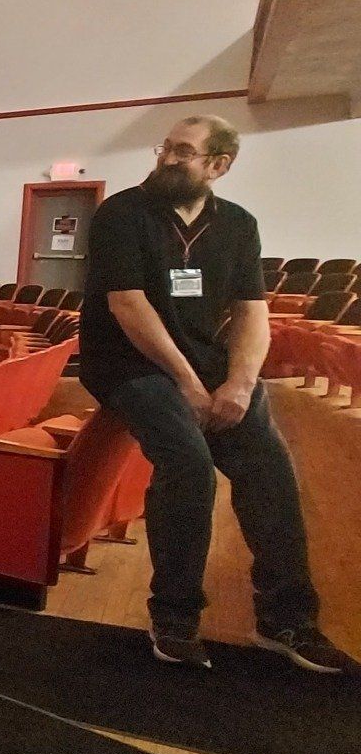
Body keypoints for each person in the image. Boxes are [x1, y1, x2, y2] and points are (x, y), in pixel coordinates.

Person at [80, 115, 355, 674]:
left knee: (270, 470)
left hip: (208, 364)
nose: (168, 158)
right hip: (126, 362)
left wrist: (241, 383)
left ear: (218, 165)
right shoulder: (122, 214)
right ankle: (175, 618)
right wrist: (187, 384)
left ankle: (285, 621)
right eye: (166, 148)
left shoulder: (237, 224)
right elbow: (128, 305)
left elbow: (252, 312)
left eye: (183, 151)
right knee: (188, 465)